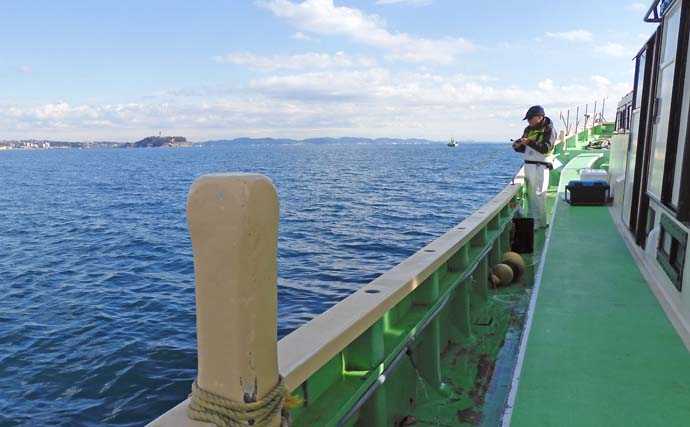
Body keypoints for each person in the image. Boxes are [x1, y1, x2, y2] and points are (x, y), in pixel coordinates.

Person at [512, 105, 556, 229]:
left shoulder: (549, 130)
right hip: (529, 165)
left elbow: (546, 148)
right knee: (531, 196)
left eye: (531, 118)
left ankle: (538, 223)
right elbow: (524, 148)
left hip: (541, 166)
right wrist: (518, 146)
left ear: (539, 117)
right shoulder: (528, 129)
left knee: (538, 194)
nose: (529, 121)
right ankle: (535, 222)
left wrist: (529, 142)